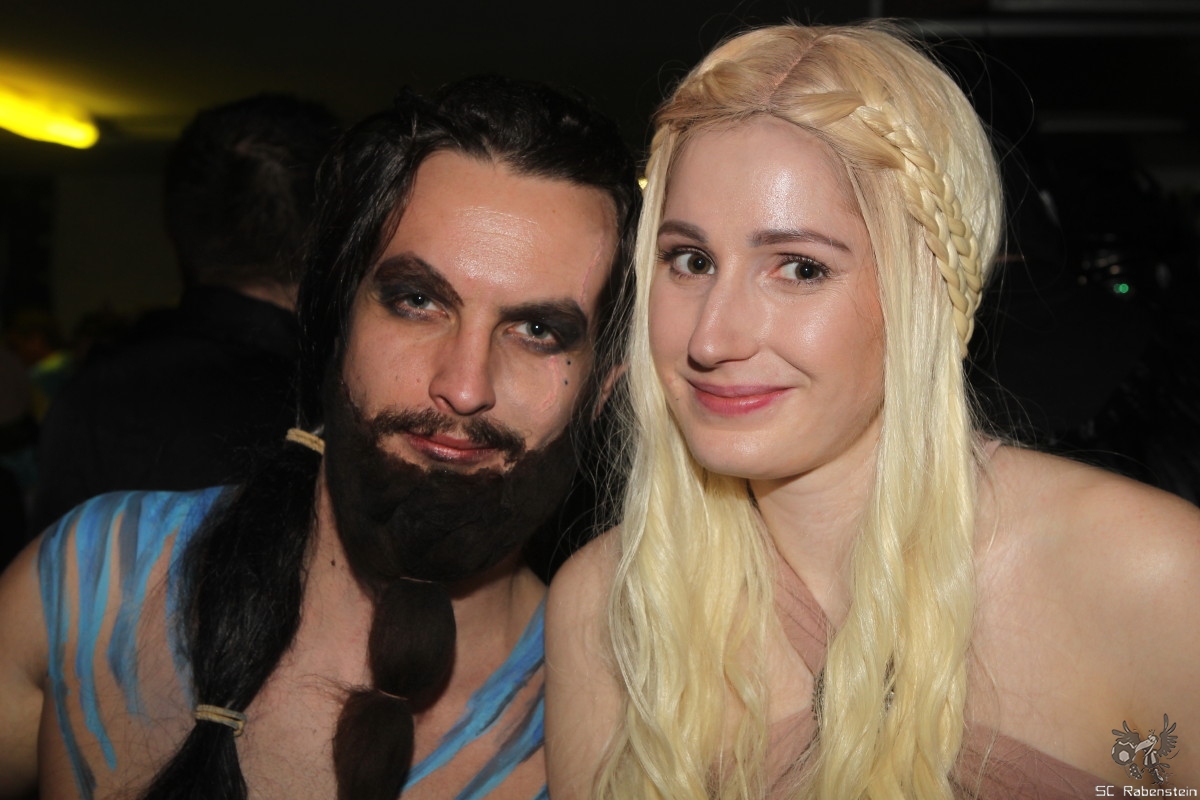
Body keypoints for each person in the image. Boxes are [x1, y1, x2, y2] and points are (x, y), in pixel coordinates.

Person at [545, 22, 1200, 800]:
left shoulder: (1151, 576)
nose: (711, 338)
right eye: (690, 260)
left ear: (926, 292)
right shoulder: (607, 604)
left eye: (799, 268)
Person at [0, 75, 637, 800]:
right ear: (337, 323)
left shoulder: (618, 728)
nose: (464, 386)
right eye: (418, 301)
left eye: (538, 330)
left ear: (601, 392)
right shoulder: (94, 589)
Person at [29, 94, 339, 535]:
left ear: (174, 229)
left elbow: (56, 570)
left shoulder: (93, 399)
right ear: (335, 234)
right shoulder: (343, 402)